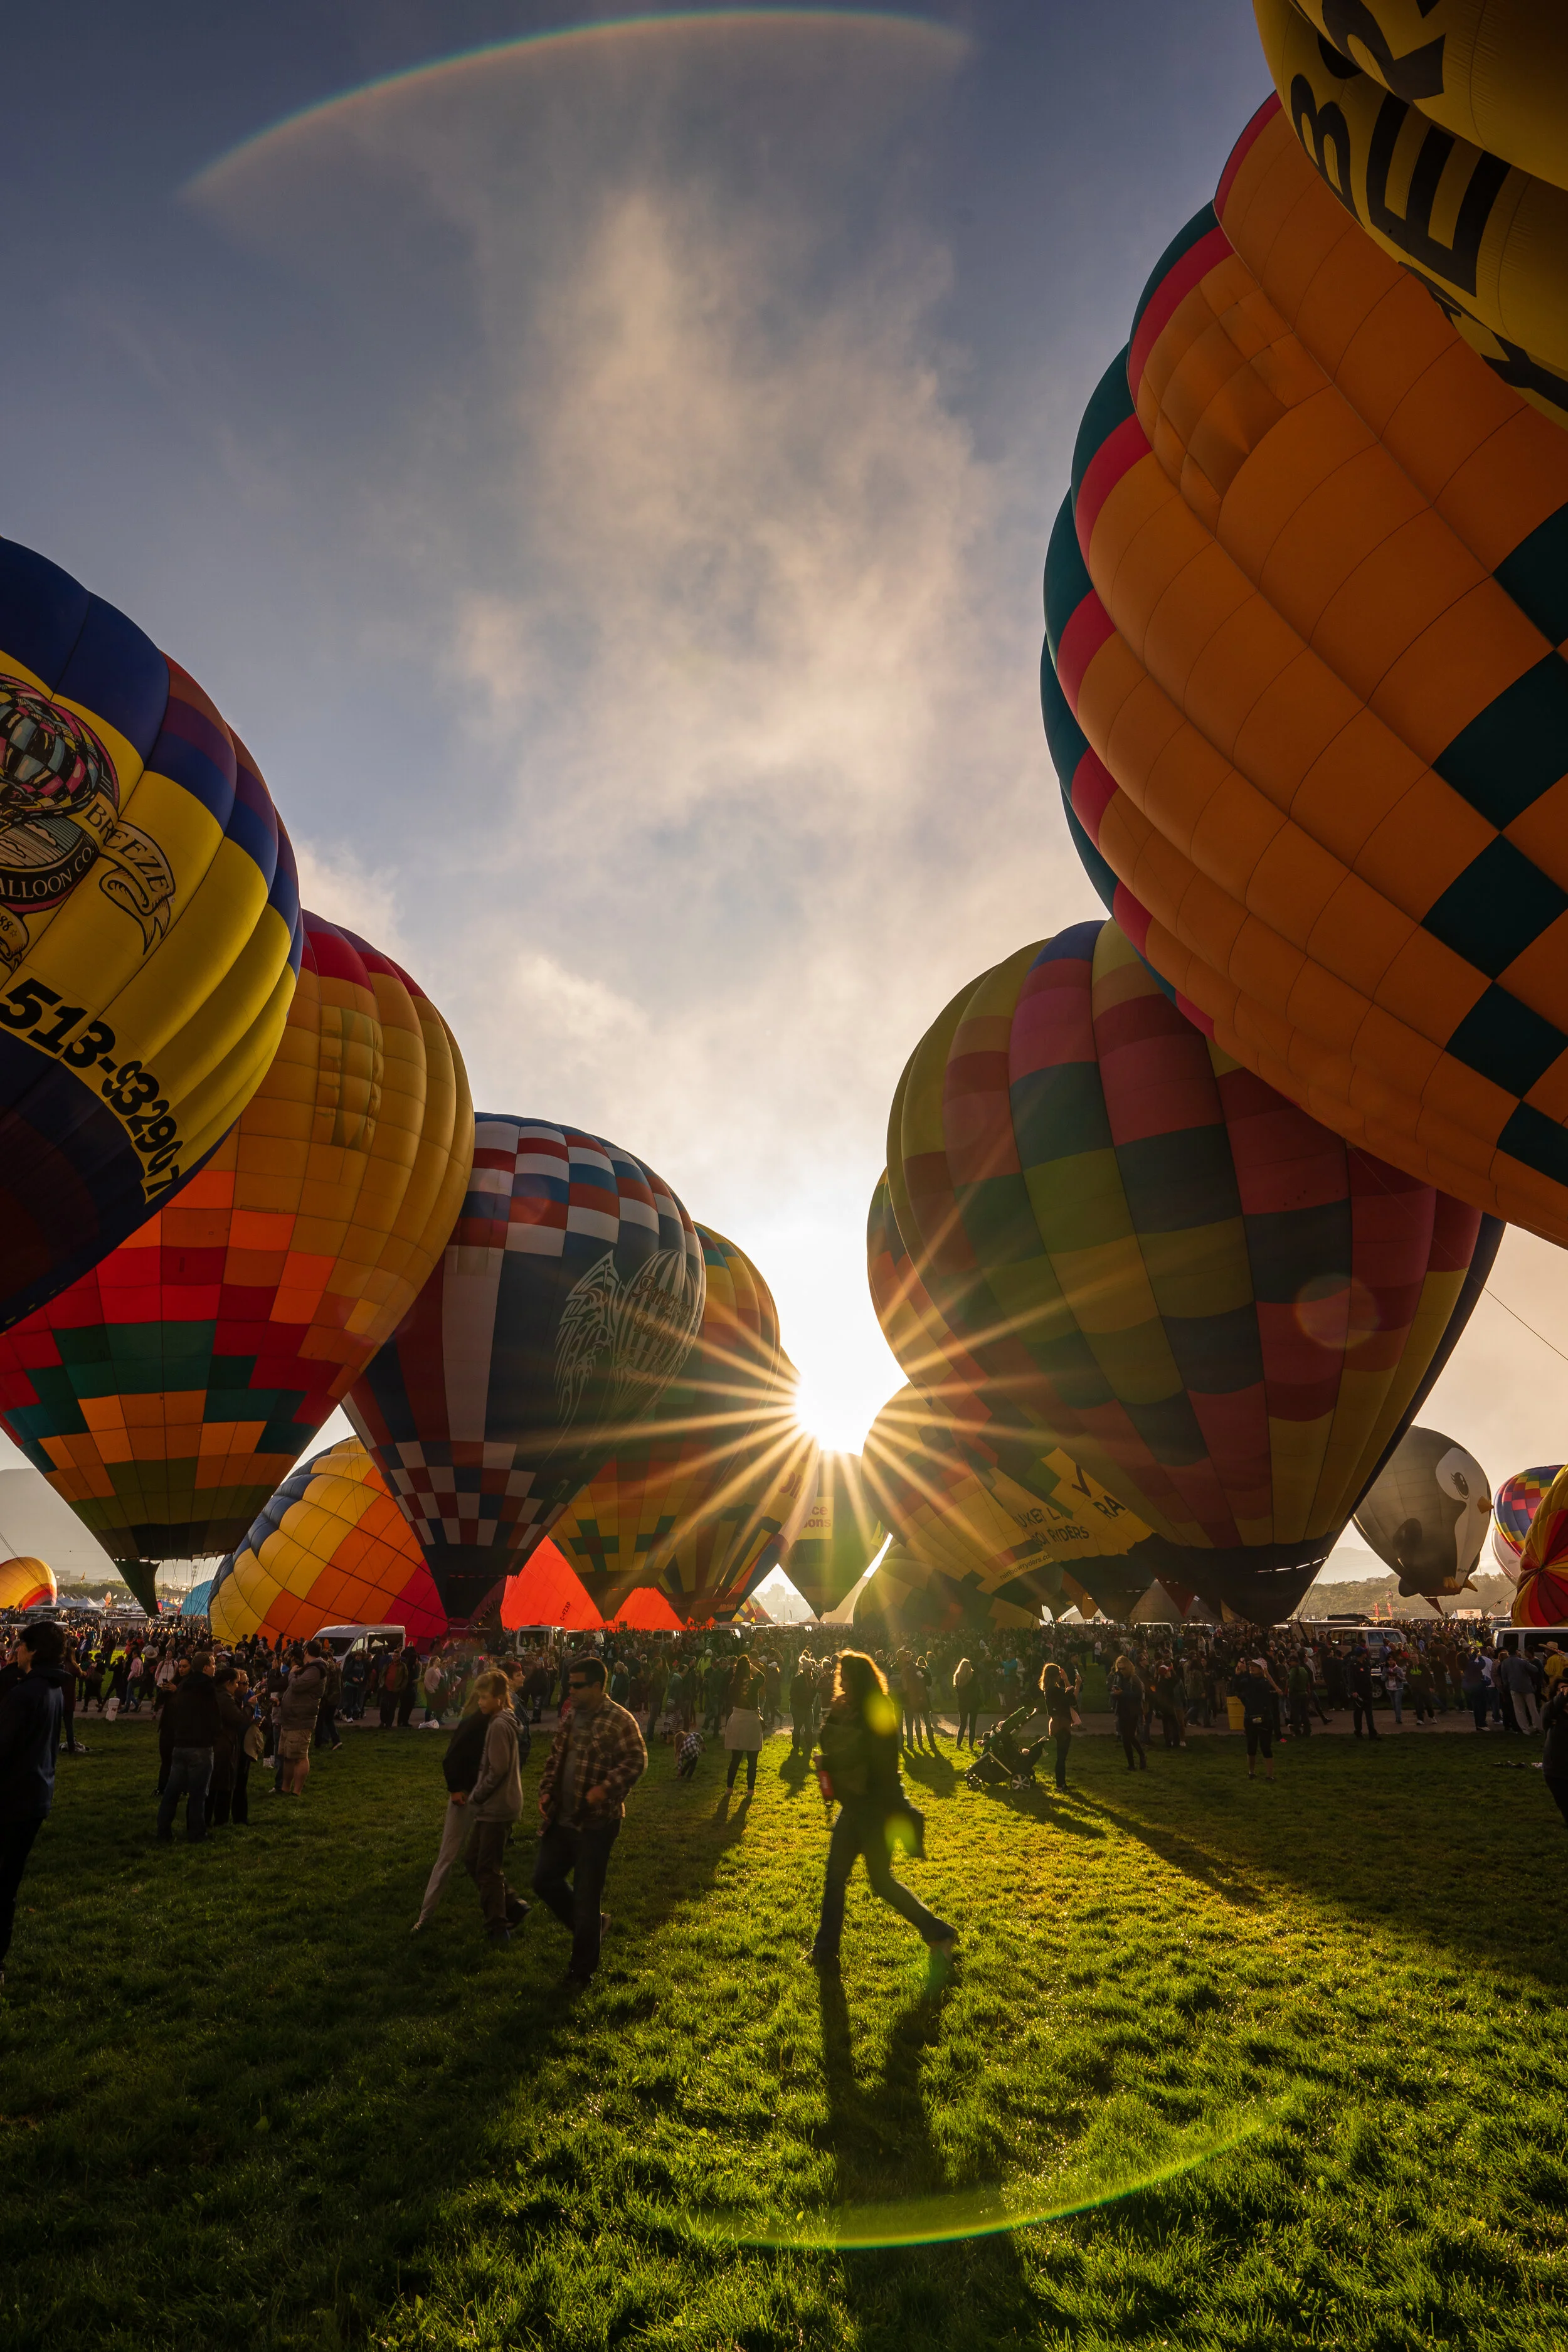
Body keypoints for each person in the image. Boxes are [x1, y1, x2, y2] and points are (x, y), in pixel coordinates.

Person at [810, 1651, 957, 1973]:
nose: (842, 1685)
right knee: (836, 1879)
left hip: (876, 1808)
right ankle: (825, 1950)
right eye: (841, 1680)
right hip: (855, 1806)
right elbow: (826, 1741)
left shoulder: (878, 1709)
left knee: (880, 1882)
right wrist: (833, 1716)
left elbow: (863, 1752)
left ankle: (939, 1932)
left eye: (846, 1680)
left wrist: (829, 1762)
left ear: (860, 1680)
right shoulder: (850, 1708)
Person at [533, 1655, 647, 1986]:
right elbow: (556, 1757)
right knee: (543, 1880)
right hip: (562, 1818)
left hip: (596, 1823)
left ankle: (581, 1972)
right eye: (570, 1684)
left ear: (598, 1686)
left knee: (586, 1895)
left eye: (578, 1685)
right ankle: (593, 1926)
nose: (571, 1690)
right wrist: (546, 1791)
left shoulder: (619, 1719)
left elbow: (636, 1760)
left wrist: (605, 1789)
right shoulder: (571, 1715)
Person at [0, 1620, 65, 1987]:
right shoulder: (53, 1690)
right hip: (36, 1796)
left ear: (33, 1651)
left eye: (21, 1646)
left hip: (11, 1798)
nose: (17, 1651)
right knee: (8, 1882)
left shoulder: (24, 1695)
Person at [456, 1670, 529, 1947]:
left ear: (499, 1699)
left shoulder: (499, 1725)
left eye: (485, 1697)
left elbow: (497, 1770)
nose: (480, 1702)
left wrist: (477, 1796)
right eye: (479, 1697)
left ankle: (498, 1926)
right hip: (496, 1805)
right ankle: (512, 1904)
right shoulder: (501, 1720)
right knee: (473, 1859)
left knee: (487, 1867)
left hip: (497, 1806)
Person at [156, 1650, 223, 1841]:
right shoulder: (208, 1688)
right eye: (213, 1664)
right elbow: (214, 1718)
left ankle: (163, 1830)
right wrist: (214, 1735)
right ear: (206, 1668)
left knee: (172, 1791)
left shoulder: (183, 1687)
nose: (215, 1668)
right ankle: (196, 1833)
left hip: (180, 1745)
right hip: (200, 1746)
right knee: (198, 1794)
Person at [277, 1643, 331, 1794]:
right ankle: (285, 1788)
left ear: (306, 1651)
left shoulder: (316, 1669)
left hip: (300, 1720)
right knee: (288, 1756)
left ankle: (296, 1791)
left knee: (299, 1756)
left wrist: (292, 1674)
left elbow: (297, 1686)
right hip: (291, 1719)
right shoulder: (309, 1668)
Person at [723, 1654, 765, 1794]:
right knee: (752, 1761)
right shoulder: (754, 1683)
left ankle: (729, 1789)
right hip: (752, 1721)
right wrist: (750, 1666)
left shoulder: (733, 1685)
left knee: (735, 1760)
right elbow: (762, 1677)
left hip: (738, 1720)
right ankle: (750, 1790)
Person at [1235, 1655, 1281, 1783]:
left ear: (1262, 1669)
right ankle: (1251, 1772)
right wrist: (1238, 1675)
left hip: (1264, 1718)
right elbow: (1237, 1688)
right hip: (1250, 1717)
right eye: (1251, 1666)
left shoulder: (1264, 1682)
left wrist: (1245, 1674)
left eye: (1255, 1666)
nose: (1252, 1668)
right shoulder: (1248, 1680)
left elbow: (1255, 1688)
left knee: (1266, 1747)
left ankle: (1270, 1775)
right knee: (1251, 1747)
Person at [1041, 1661, 1078, 1791]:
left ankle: (1062, 1784)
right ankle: (1060, 1784)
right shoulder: (1056, 1691)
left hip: (1056, 1724)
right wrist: (1068, 1680)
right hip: (1062, 1724)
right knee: (1062, 1757)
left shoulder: (1049, 1690)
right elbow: (1072, 1699)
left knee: (1061, 1756)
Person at [1110, 1655, 1147, 1772]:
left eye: (1123, 1668)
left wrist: (1122, 1693)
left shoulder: (1134, 1679)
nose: (1121, 1671)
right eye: (1119, 1668)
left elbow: (1139, 1695)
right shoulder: (1118, 1678)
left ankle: (1141, 1755)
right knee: (1125, 1739)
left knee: (1129, 1736)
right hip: (1121, 1710)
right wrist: (1114, 1694)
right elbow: (1112, 1692)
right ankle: (1131, 1764)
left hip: (1132, 1711)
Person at [1347, 1648, 1379, 1740]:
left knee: (1369, 1714)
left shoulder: (1366, 1663)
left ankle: (1372, 1733)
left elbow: (1369, 1676)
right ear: (1361, 1654)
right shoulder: (1353, 1665)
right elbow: (1350, 1678)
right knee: (1358, 1713)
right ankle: (1358, 1732)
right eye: (1365, 1653)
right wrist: (1353, 1691)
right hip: (1359, 1692)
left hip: (1367, 1691)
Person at [953, 1656, 978, 1751]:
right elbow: (976, 1690)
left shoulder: (958, 1677)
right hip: (973, 1703)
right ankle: (971, 1745)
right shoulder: (973, 1676)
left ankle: (958, 1744)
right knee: (972, 1726)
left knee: (962, 1725)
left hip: (962, 1703)